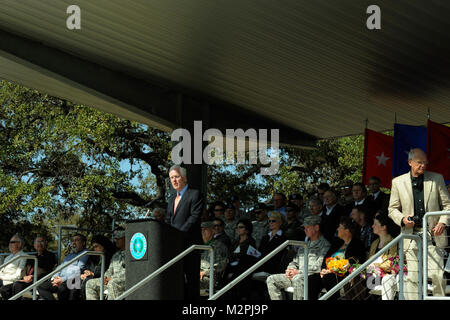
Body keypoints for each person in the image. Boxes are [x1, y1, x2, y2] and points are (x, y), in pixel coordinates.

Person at [388, 148, 450, 300]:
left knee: (437, 276)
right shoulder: (397, 182)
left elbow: (448, 205)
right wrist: (402, 219)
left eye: (425, 162)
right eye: (419, 162)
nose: (423, 165)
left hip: (433, 236)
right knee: (413, 278)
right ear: (410, 162)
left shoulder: (437, 178)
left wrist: (442, 222)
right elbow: (392, 209)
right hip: (410, 236)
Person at [266, 215, 331, 300]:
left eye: (308, 227)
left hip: (311, 278)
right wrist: (290, 269)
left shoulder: (325, 245)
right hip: (296, 275)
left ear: (316, 227)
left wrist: (298, 272)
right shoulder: (304, 245)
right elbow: (295, 261)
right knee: (271, 279)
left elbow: (318, 267)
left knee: (298, 278)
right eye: (304, 228)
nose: (305, 230)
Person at [165, 165, 203, 299]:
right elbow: (168, 221)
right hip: (175, 248)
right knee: (176, 283)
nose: (174, 180)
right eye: (171, 178)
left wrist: (178, 235)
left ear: (184, 178)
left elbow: (194, 218)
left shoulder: (195, 194)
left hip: (190, 246)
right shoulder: (171, 199)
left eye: (176, 177)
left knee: (192, 283)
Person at [308, 217, 366, 300]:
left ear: (347, 230)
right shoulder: (337, 243)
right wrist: (324, 269)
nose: (337, 229)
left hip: (342, 274)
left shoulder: (357, 244)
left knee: (329, 277)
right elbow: (326, 258)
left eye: (340, 227)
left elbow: (354, 261)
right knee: (312, 279)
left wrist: (332, 270)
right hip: (328, 273)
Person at [37, 233, 88, 300]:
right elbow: (61, 267)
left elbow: (78, 269)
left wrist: (62, 279)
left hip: (70, 279)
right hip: (59, 279)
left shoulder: (85, 253)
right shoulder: (70, 255)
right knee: (41, 287)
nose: (74, 243)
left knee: (61, 288)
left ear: (83, 243)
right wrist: (54, 277)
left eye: (77, 240)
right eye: (73, 241)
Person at [85, 227, 126, 300]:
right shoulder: (116, 255)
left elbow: (130, 271)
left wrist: (111, 278)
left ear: (125, 238)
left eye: (118, 238)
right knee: (90, 283)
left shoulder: (133, 253)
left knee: (113, 283)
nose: (115, 240)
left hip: (124, 281)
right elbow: (110, 269)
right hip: (111, 280)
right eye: (115, 238)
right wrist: (105, 277)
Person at [367, 214, 401, 300]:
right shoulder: (375, 243)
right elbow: (369, 261)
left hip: (386, 275)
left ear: (383, 227)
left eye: (375, 224)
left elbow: (392, 261)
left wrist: (377, 266)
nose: (372, 226)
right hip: (372, 275)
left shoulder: (393, 242)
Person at [223, 219, 258, 299]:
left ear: (247, 229)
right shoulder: (235, 241)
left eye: (241, 227)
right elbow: (230, 255)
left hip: (243, 268)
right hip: (232, 267)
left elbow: (248, 258)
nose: (238, 229)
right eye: (237, 227)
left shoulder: (251, 241)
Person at [80, 235, 116, 300]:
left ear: (103, 245)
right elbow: (87, 266)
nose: (95, 249)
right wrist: (85, 272)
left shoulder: (111, 256)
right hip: (91, 277)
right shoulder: (93, 256)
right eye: (93, 247)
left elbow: (107, 271)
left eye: (96, 246)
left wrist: (93, 274)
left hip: (102, 278)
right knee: (75, 282)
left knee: (87, 282)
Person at [199, 221, 229, 294]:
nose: (202, 231)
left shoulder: (219, 246)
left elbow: (221, 265)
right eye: (201, 229)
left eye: (205, 229)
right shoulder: (199, 246)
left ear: (213, 231)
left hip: (210, 277)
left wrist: (205, 272)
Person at [0, 234, 27, 299]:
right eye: (9, 242)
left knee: (4, 289)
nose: (9, 244)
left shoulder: (23, 257)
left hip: (11, 281)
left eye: (12, 242)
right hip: (2, 279)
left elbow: (18, 276)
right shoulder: (7, 257)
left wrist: (3, 278)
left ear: (19, 244)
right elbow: (1, 270)